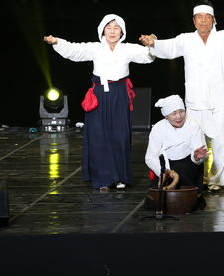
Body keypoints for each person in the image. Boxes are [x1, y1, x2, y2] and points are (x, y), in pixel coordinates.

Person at [139, 3, 224, 191]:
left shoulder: (221, 37)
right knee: (197, 142)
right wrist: (153, 43)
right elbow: (169, 47)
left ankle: (217, 180)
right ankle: (199, 178)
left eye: (207, 17)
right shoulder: (186, 39)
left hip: (220, 99)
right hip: (197, 101)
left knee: (221, 142)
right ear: (194, 21)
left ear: (213, 20)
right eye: (199, 17)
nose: (203, 20)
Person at [43, 14, 154, 190]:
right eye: (109, 27)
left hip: (120, 94)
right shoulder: (95, 48)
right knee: (99, 136)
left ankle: (120, 177)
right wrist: (57, 42)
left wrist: (152, 44)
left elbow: (147, 57)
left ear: (122, 31)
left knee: (120, 135)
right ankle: (103, 178)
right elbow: (75, 51)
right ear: (102, 30)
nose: (112, 31)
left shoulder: (127, 49)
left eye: (116, 28)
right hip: (100, 94)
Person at [145, 94, 208, 192]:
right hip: (166, 166)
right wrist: (165, 172)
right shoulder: (158, 128)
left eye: (182, 111)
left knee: (182, 171)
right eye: (174, 113)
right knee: (156, 194)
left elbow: (200, 155)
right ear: (166, 115)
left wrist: (197, 157)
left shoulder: (193, 125)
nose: (179, 116)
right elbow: (150, 157)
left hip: (189, 164)